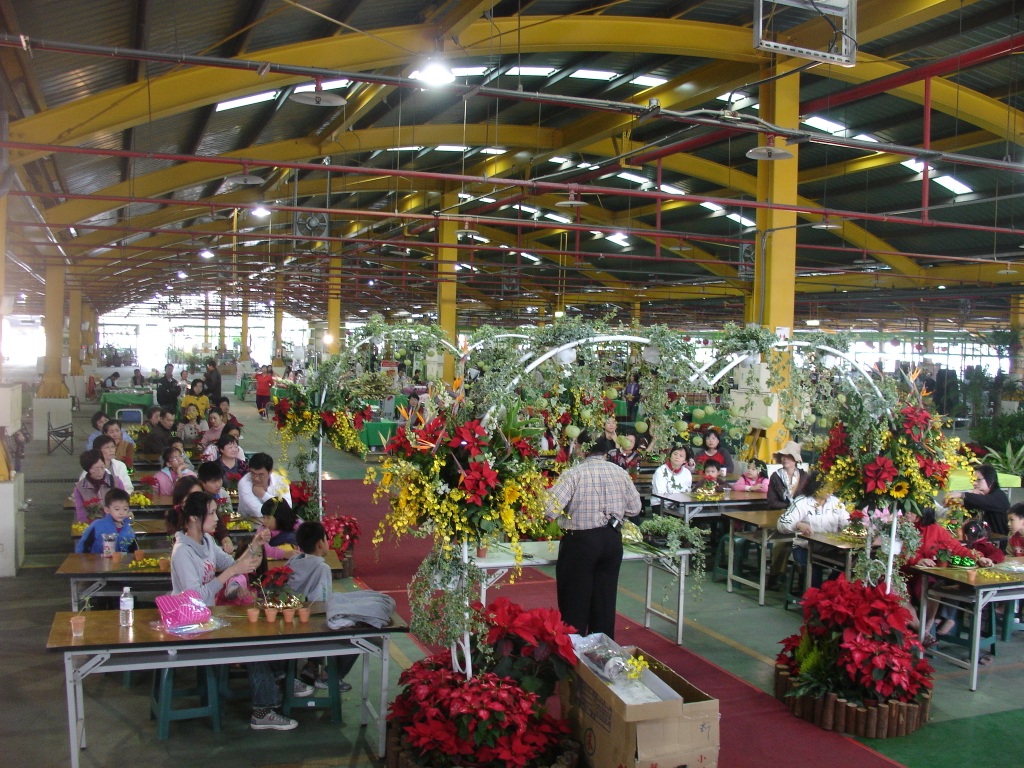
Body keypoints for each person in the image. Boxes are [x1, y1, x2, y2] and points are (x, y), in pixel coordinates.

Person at [170, 491, 308, 731]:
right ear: (193, 518)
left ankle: (277, 678)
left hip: (209, 617)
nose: (217, 518)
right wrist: (231, 573)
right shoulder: (183, 552)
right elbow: (194, 597)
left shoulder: (207, 542)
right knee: (251, 639)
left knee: (261, 626)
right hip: (190, 622)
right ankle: (263, 709)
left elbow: (233, 563)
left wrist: (255, 545)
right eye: (211, 513)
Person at [546, 432, 641, 638]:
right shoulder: (620, 473)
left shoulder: (573, 474)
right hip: (611, 541)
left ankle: (574, 659)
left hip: (581, 543)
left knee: (575, 605)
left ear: (581, 447)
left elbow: (548, 510)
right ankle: (601, 659)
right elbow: (635, 508)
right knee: (605, 604)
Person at [904, 506, 994, 645]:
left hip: (922, 575)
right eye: (905, 509)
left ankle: (927, 626)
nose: (907, 512)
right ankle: (920, 630)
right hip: (900, 572)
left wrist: (978, 558)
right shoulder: (898, 527)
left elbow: (957, 548)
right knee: (897, 594)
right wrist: (917, 560)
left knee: (932, 590)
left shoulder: (935, 530)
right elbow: (897, 551)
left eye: (913, 509)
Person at [289, 521, 355, 692]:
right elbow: (322, 602)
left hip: (292, 620)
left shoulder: (293, 560)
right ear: (320, 543)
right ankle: (328, 676)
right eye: (326, 539)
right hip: (310, 624)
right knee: (356, 637)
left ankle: (311, 666)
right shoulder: (322, 568)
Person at [777, 472, 850, 587]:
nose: (832, 489)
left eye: (833, 485)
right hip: (804, 549)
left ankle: (827, 590)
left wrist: (854, 526)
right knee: (814, 569)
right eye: (827, 485)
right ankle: (815, 598)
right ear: (816, 486)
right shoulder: (803, 502)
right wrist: (798, 525)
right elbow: (782, 524)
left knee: (847, 566)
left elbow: (846, 522)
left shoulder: (836, 502)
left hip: (830, 549)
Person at [946, 464, 1010, 540]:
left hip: (998, 542)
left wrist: (962, 494)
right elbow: (968, 519)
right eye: (973, 480)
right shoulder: (977, 498)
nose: (974, 483)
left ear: (991, 480)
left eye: (978, 480)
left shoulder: (999, 496)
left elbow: (985, 502)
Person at [76, 488, 137, 554]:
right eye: (117, 509)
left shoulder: (129, 530)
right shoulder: (97, 525)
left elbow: (133, 552)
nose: (121, 513)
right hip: (96, 563)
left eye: (125, 509)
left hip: (121, 563)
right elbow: (83, 546)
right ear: (107, 510)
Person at [72, 449, 126, 523]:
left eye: (102, 467)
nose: (100, 471)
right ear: (87, 469)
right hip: (92, 524)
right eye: (96, 469)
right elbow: (80, 512)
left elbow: (124, 503)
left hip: (115, 522)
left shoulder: (116, 481)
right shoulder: (80, 488)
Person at [196, 461, 236, 554]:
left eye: (219, 480)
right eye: (213, 482)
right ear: (202, 483)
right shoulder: (199, 500)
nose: (218, 484)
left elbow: (223, 523)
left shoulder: (223, 493)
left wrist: (226, 538)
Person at [237, 453, 292, 519]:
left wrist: (263, 495)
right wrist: (279, 510)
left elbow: (288, 508)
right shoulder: (244, 483)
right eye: (253, 473)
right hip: (249, 523)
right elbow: (258, 512)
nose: (256, 478)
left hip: (276, 524)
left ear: (270, 471)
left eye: (261, 475)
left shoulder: (281, 481)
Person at [650, 442, 693, 514]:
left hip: (680, 505)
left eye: (681, 456)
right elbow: (660, 494)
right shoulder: (661, 471)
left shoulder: (687, 473)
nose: (677, 457)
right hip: (660, 505)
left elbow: (687, 492)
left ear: (685, 460)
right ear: (670, 456)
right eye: (675, 454)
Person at [766, 442, 805, 510]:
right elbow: (772, 501)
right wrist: (788, 506)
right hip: (779, 513)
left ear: (795, 459)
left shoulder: (803, 475)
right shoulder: (775, 476)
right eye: (783, 455)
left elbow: (809, 498)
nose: (785, 458)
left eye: (789, 456)